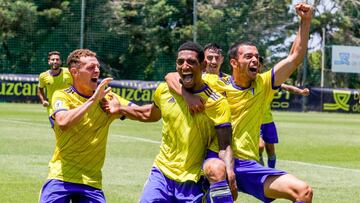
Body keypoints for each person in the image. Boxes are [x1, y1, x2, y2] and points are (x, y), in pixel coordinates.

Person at [165, 3, 313, 202]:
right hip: (217, 157)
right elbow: (171, 76)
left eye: (257, 57)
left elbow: (294, 57)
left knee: (303, 191)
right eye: (248, 56)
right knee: (217, 170)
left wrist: (305, 21)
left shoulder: (264, 83)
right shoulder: (214, 82)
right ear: (234, 62)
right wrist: (187, 95)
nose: (255, 60)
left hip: (248, 164)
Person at [103, 42, 237, 202]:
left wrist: (230, 174)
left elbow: (225, 145)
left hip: (193, 179)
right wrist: (121, 109)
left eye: (191, 62)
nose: (184, 66)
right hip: (162, 172)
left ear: (203, 65)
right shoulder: (164, 90)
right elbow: (149, 114)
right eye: (180, 62)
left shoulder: (216, 102)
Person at [39, 49, 133, 203]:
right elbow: (62, 122)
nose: (97, 70)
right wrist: (94, 100)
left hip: (91, 182)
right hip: (61, 177)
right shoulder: (62, 95)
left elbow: (146, 113)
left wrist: (121, 108)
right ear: (75, 72)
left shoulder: (108, 97)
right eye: (91, 67)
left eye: (97, 67)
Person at [259, 84, 310, 168]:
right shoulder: (252, 83)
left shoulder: (269, 81)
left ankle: (272, 171)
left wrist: (301, 91)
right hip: (255, 122)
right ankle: (260, 167)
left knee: (271, 150)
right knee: (260, 147)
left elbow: (286, 87)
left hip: (268, 122)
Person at [37, 51, 73, 120]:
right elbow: (40, 89)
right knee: (57, 128)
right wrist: (43, 100)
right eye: (53, 59)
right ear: (49, 62)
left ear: (60, 61)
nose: (55, 61)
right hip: (52, 107)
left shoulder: (69, 72)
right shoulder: (43, 76)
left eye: (57, 59)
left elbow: (76, 85)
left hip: (69, 105)